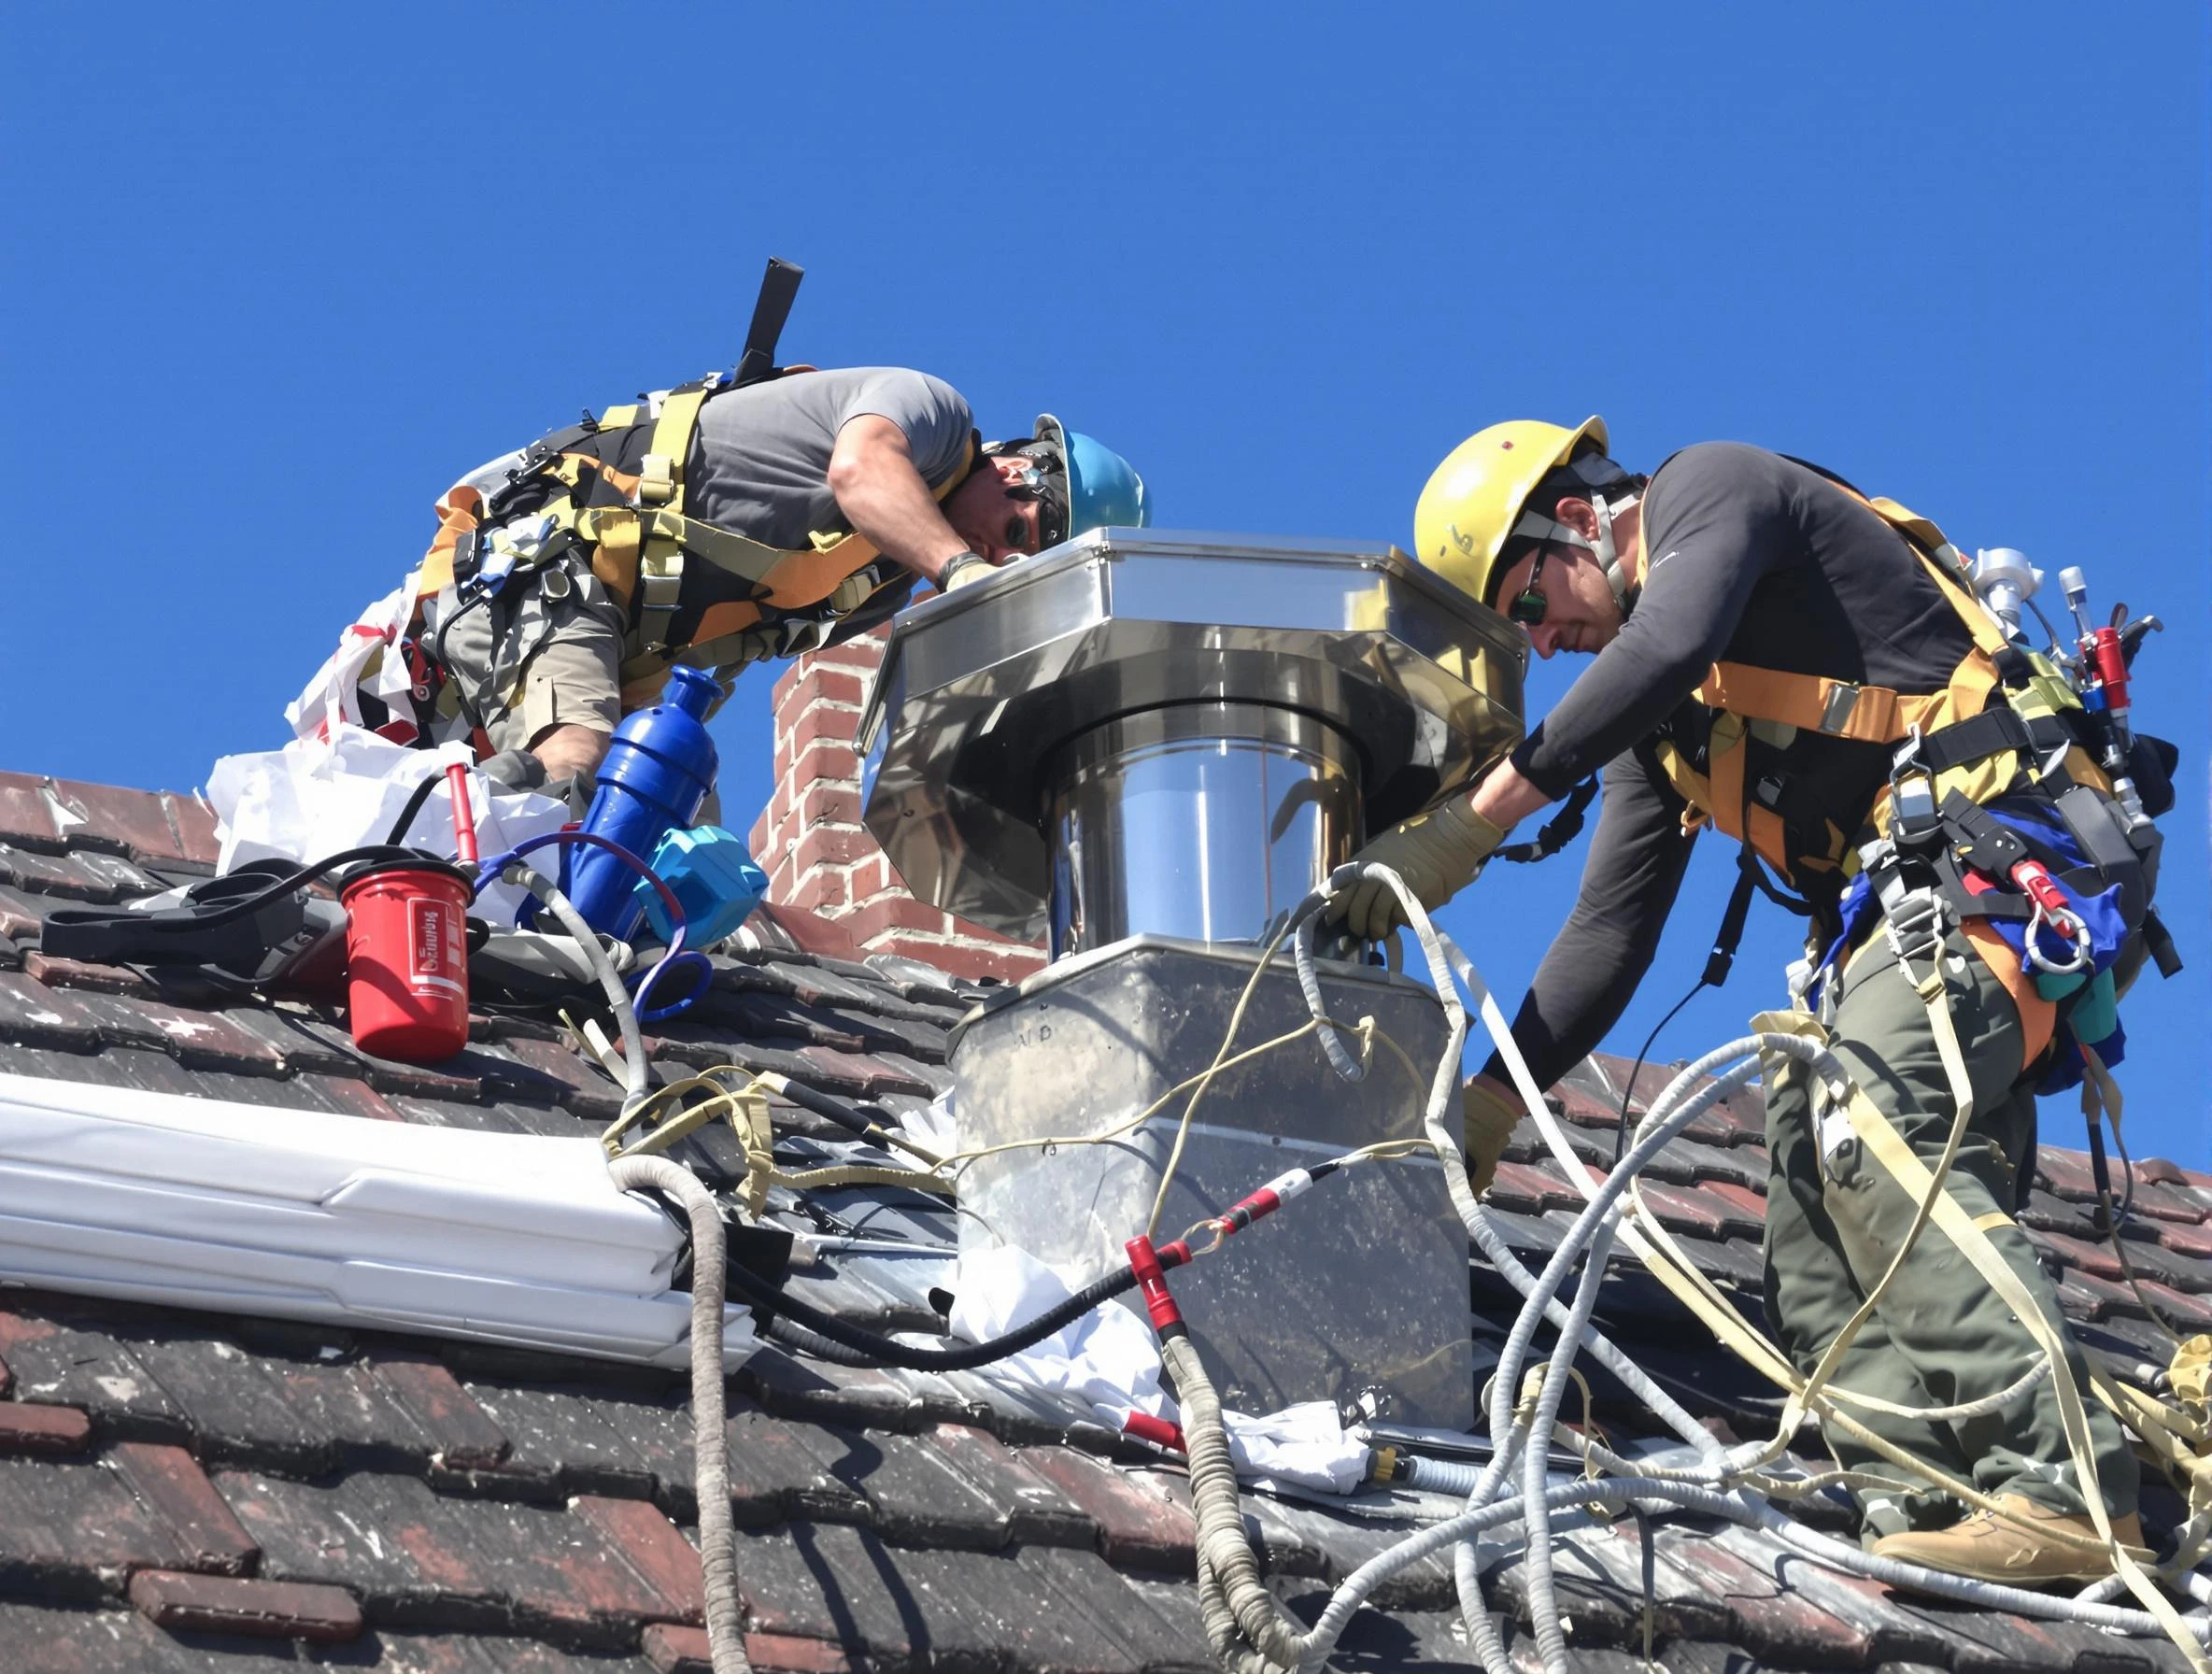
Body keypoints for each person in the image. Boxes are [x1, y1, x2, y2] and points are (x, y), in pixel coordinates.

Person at [1339, 418, 2170, 1583]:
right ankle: (1920, 1492)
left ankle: (2062, 1484)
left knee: (1868, 1121)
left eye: (1530, 602)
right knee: (1804, 1192)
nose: (1546, 641)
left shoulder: (1710, 487)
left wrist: (1479, 815)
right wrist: (1486, 1103)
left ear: (1575, 517)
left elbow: (1666, 637)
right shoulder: (1664, 733)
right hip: (1910, 911)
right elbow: (1609, 931)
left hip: (2011, 864)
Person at [341, 365, 1145, 794]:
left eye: (1019, 565)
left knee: (662, 855)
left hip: (611, 642)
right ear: (1013, 468)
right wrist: (967, 571)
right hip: (548, 567)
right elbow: (861, 469)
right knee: (575, 770)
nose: (1001, 559)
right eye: (1017, 536)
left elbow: (713, 659)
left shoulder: (883, 580)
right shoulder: (930, 413)